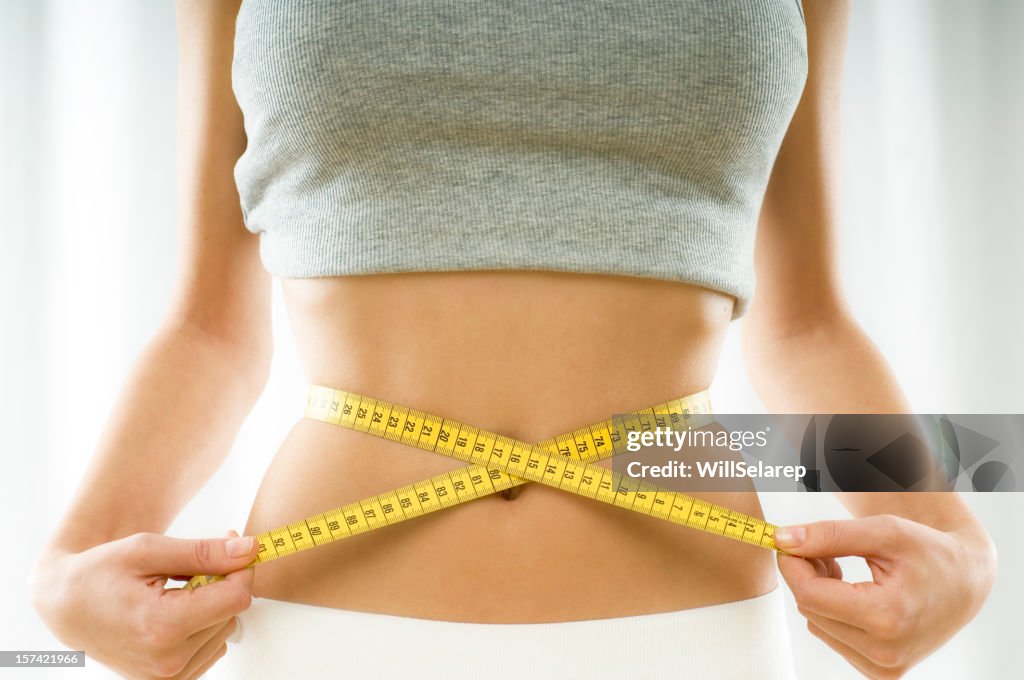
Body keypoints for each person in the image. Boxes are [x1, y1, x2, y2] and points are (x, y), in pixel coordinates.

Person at [30, 1, 996, 678]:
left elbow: (806, 322)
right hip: (329, 625)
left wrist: (961, 535)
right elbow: (209, 329)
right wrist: (66, 564)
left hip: (694, 626)